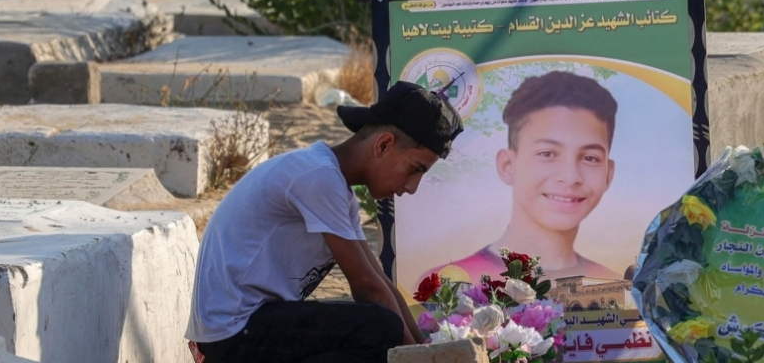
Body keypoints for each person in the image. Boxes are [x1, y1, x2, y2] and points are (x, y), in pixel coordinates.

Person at [187, 81, 464, 363]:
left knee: (381, 326)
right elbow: (367, 288)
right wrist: (417, 359)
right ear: (383, 144)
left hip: (247, 329)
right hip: (232, 335)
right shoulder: (318, 176)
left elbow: (380, 281)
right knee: (378, 328)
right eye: (414, 170)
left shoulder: (334, 184)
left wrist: (427, 352)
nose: (412, 187)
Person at [427, 70, 620, 285]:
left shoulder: (611, 284)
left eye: (590, 158)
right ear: (508, 165)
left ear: (608, 174)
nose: (570, 176)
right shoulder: (449, 285)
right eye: (547, 154)